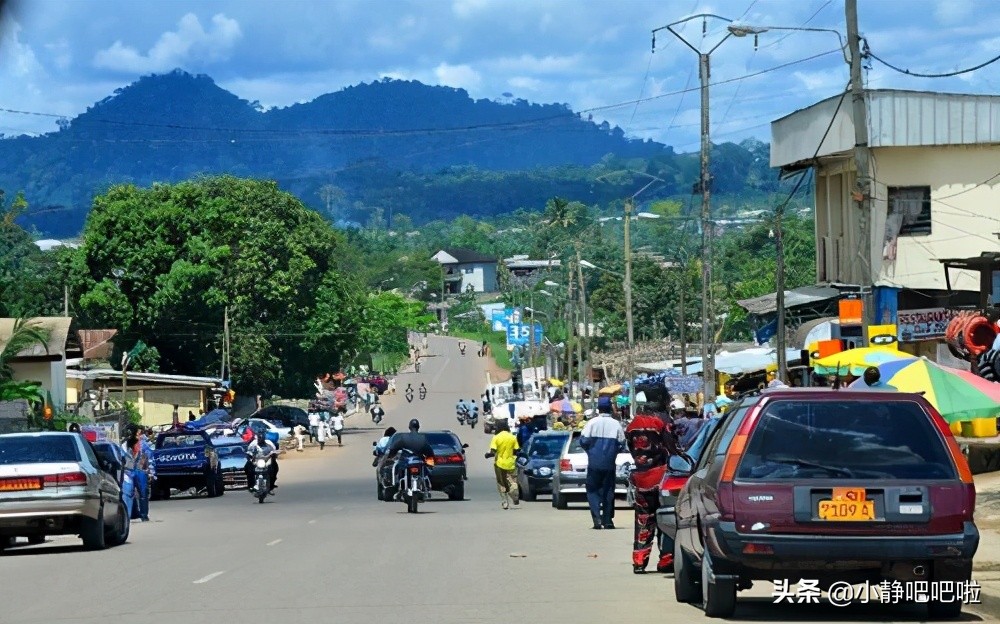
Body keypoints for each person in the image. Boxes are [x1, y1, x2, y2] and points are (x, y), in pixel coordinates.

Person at [625, 399, 681, 574]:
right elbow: (671, 447)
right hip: (660, 476)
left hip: (640, 478)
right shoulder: (660, 424)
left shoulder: (631, 426)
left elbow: (630, 448)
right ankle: (666, 559)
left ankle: (639, 561)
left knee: (643, 521)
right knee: (665, 519)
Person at [580, 400, 626, 530]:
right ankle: (607, 520)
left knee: (593, 491)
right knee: (608, 491)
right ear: (610, 409)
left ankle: (597, 519)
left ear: (599, 409)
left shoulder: (592, 423)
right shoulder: (616, 424)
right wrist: (614, 451)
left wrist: (591, 451)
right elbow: (622, 443)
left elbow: (583, 440)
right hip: (609, 464)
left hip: (594, 463)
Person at [381, 419, 434, 492]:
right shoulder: (423, 438)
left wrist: (390, 456)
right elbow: (429, 452)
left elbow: (394, 448)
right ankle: (425, 486)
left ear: (409, 427)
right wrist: (430, 462)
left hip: (407, 462)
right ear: (418, 427)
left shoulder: (403, 437)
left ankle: (398, 486)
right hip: (418, 463)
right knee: (426, 472)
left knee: (398, 469)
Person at [485, 420, 520, 509]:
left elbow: (493, 450)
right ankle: (514, 492)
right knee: (512, 480)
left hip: (499, 464)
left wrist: (488, 455)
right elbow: (516, 450)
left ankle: (505, 502)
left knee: (501, 483)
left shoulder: (496, 437)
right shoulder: (512, 437)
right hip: (511, 463)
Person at [123, 426, 154, 521]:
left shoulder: (143, 444)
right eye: (139, 433)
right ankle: (133, 514)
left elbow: (150, 458)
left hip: (138, 471)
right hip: (130, 471)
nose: (140, 435)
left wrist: (151, 472)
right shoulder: (125, 445)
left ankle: (143, 515)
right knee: (131, 494)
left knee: (141, 494)